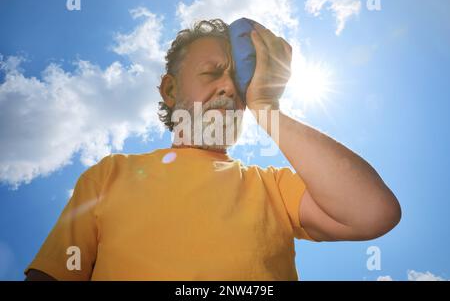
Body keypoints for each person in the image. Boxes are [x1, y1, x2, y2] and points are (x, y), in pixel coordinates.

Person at [25, 19, 401, 281]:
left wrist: (267, 108)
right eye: (211, 72)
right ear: (170, 91)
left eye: (238, 79)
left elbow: (373, 212)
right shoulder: (110, 175)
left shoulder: (270, 187)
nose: (229, 88)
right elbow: (53, 276)